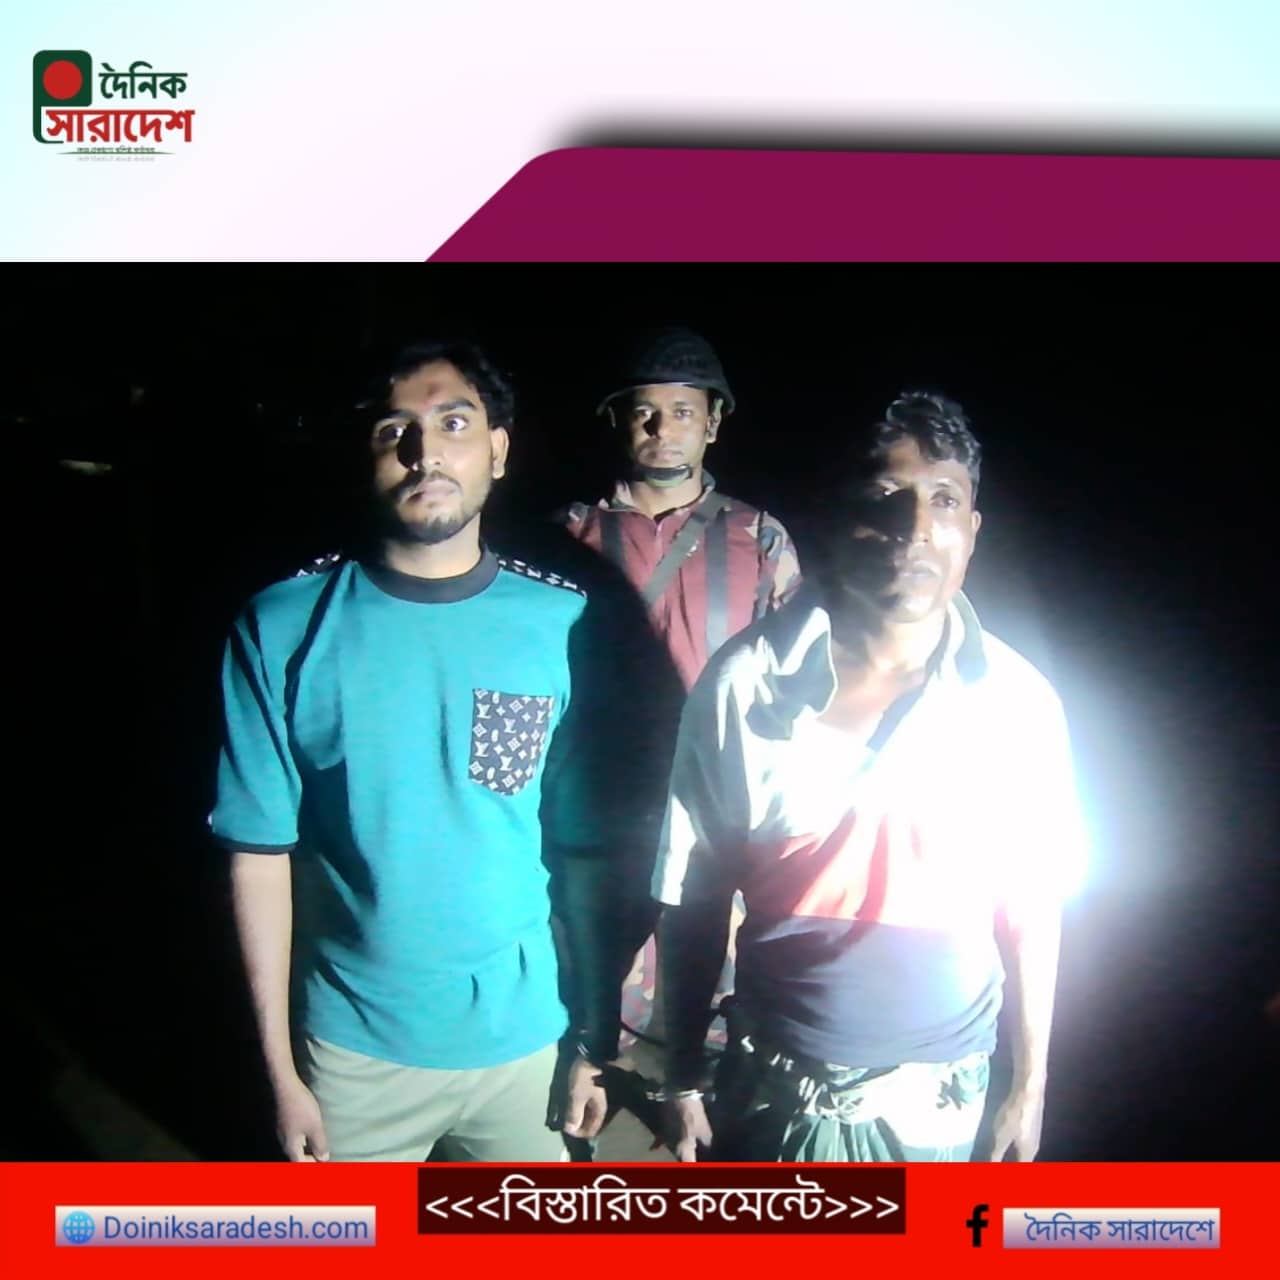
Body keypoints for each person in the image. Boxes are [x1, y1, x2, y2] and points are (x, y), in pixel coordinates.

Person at [653, 391, 1087, 1162]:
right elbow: (696, 895)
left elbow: (1032, 907)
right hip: (775, 1090)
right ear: (838, 517)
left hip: (943, 1109)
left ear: (972, 530)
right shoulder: (746, 685)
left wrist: (1030, 1084)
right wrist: (681, 1073)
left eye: (943, 499)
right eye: (885, 495)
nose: (914, 527)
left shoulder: (1018, 704)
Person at [209, 339, 605, 1161]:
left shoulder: (563, 624)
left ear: (497, 450)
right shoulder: (282, 626)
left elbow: (592, 852)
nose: (425, 452)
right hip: (355, 1053)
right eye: (396, 432)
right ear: (367, 455)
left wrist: (595, 1038)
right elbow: (257, 856)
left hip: (526, 1044)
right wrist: (280, 1073)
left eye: (454, 424)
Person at [544, 327, 801, 1145]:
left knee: (709, 962)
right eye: (645, 412)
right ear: (617, 422)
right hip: (594, 799)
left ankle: (693, 1095)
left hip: (711, 804)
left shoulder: (761, 539)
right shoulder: (566, 534)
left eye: (683, 411)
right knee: (587, 958)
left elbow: (794, 690)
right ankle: (589, 1074)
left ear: (713, 422)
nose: (663, 428)